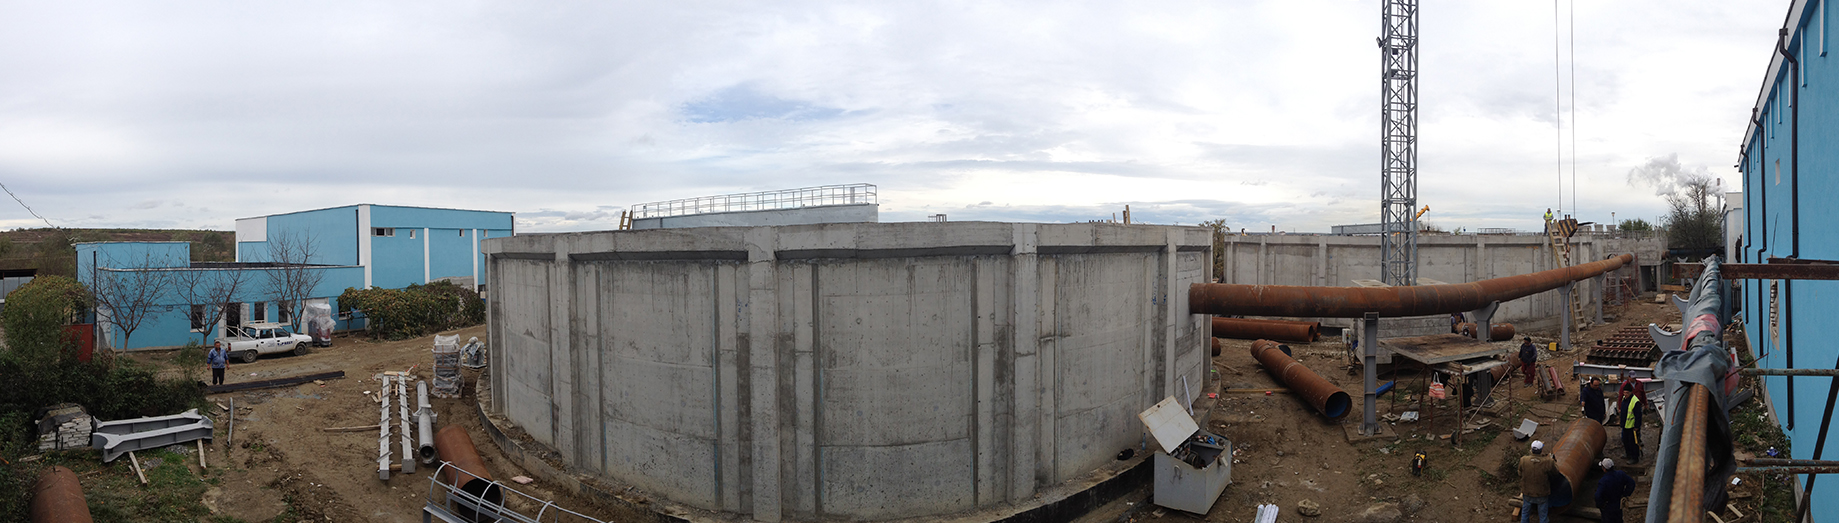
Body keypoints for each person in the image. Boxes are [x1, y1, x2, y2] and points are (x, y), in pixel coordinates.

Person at [1519, 440, 1556, 523]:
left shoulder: (1523, 460)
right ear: (1541, 450)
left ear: (1531, 449)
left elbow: (1520, 473)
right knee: (1543, 516)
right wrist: (1552, 460)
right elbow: (1555, 473)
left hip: (1527, 493)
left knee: (1525, 514)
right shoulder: (1548, 462)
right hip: (1541, 494)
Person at [1594, 458, 1637, 523]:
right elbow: (1631, 483)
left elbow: (1597, 495)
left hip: (1608, 506)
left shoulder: (1603, 481)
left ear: (1604, 469)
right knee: (1618, 520)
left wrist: (1600, 505)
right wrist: (1625, 494)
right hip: (1618, 504)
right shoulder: (1620, 474)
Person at [1621, 390, 1643, 463]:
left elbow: (1638, 415)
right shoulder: (1624, 399)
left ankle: (1634, 458)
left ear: (1630, 392)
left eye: (1627, 393)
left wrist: (1637, 426)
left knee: (1633, 443)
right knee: (1625, 441)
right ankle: (1628, 454)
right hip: (1625, 425)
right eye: (1624, 393)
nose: (1625, 394)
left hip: (1632, 427)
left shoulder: (1635, 401)